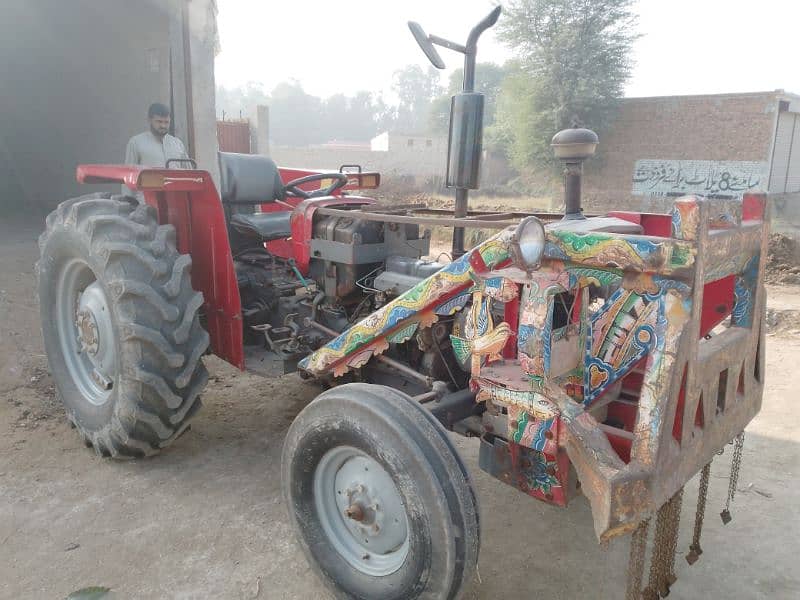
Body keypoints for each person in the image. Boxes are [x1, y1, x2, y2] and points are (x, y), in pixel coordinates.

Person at [124, 103, 190, 168]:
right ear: (149, 120)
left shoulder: (178, 144)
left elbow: (189, 173)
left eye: (166, 122)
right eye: (159, 121)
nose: (163, 126)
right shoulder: (136, 143)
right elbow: (129, 173)